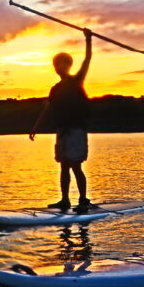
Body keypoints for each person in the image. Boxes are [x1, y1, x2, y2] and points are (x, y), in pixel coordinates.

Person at [29, 29, 93, 213]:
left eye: (61, 63)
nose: (58, 66)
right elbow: (47, 109)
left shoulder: (76, 81)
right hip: (62, 131)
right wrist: (35, 127)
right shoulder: (55, 89)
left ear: (68, 65)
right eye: (55, 64)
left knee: (76, 165)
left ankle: (82, 199)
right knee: (64, 166)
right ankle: (65, 200)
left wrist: (88, 39)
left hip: (76, 131)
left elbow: (87, 60)